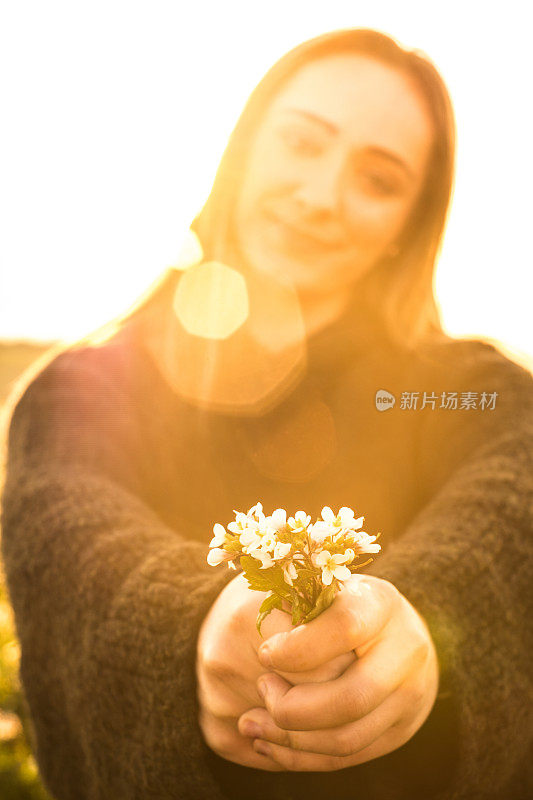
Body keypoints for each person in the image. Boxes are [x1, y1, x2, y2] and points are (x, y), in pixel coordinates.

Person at [1, 27, 532, 800]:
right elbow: (72, 535)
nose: (319, 196)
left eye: (378, 180)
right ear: (240, 150)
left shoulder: (461, 389)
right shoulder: (81, 390)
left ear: (408, 226)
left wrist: (420, 627)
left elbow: (514, 490)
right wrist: (188, 627)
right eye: (299, 143)